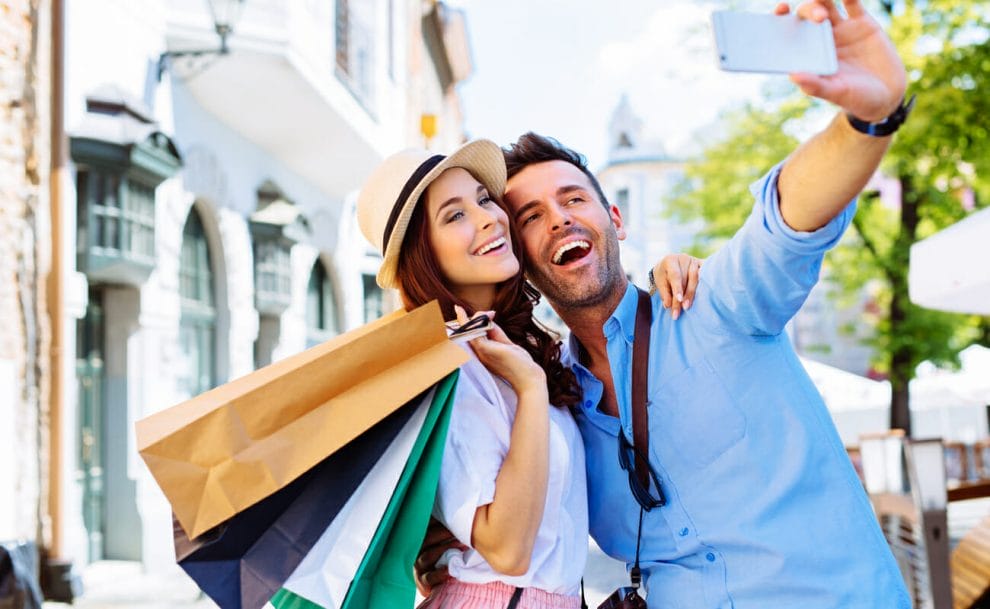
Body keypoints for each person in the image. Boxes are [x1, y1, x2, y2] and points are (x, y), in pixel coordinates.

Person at [419, 0, 914, 607]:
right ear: (521, 257)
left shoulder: (716, 309)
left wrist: (870, 118)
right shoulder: (558, 408)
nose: (559, 220)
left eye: (574, 199)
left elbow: (787, 222)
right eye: (531, 216)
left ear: (615, 220)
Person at [356, 140, 700, 609]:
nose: (487, 218)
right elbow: (507, 550)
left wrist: (669, 273)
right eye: (454, 216)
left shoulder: (509, 352)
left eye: (483, 200)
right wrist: (531, 389)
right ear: (425, 254)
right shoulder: (448, 368)